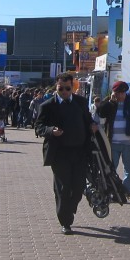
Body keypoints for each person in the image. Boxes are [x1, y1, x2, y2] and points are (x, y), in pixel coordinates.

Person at [36, 73, 98, 234]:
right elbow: (39, 127)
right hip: (59, 153)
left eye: (67, 88)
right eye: (60, 88)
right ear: (56, 87)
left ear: (72, 87)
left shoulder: (81, 102)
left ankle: (69, 209)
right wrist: (51, 130)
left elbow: (88, 119)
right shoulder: (47, 106)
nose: (64, 91)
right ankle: (65, 221)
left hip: (80, 151)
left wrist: (92, 125)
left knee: (78, 187)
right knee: (63, 188)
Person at [97, 80, 130, 201]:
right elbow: (100, 113)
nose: (119, 96)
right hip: (112, 142)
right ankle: (109, 191)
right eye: (116, 93)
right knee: (109, 168)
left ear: (125, 92)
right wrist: (110, 102)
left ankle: (129, 191)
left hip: (129, 142)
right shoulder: (110, 103)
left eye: (121, 93)